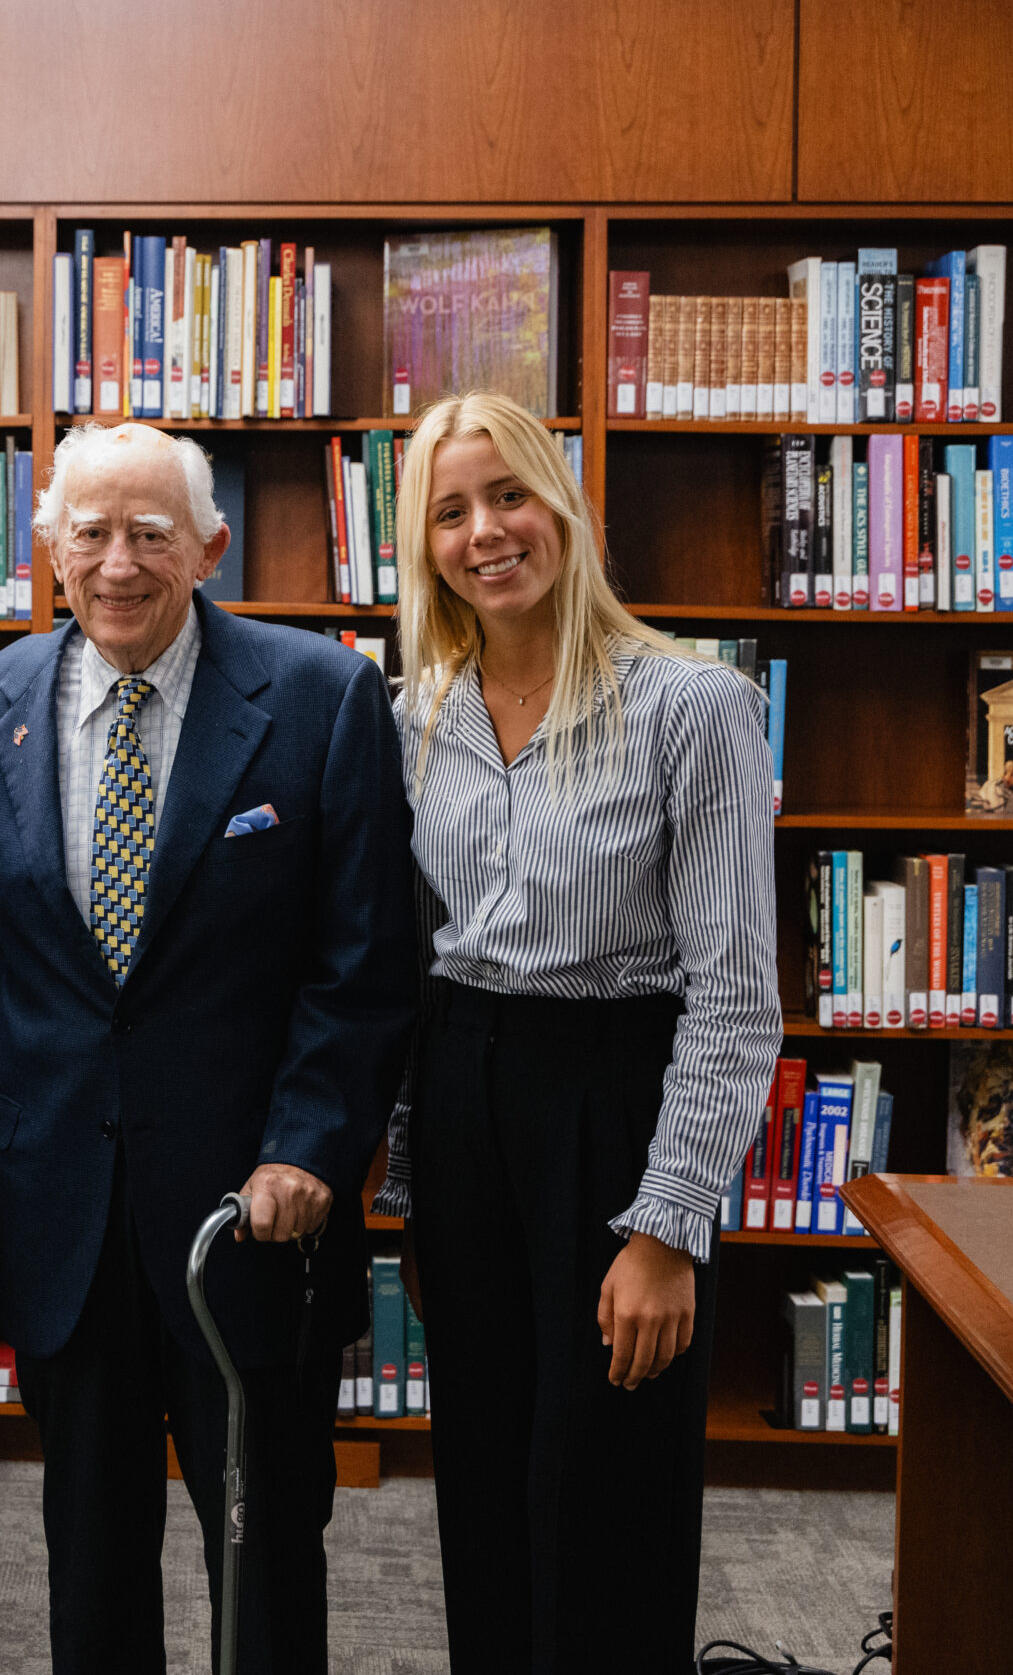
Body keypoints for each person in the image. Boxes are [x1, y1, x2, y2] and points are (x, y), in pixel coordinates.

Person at [0, 422, 417, 1675]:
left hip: (250, 1216)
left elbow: (364, 958)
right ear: (47, 551)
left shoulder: (321, 695)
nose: (117, 562)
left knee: (263, 1548)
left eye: (151, 532)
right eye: (88, 533)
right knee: (88, 1551)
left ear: (208, 546)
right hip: (63, 1218)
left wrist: (312, 1146)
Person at [377, 392, 778, 1674]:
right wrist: (405, 1177)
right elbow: (407, 957)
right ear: (423, 541)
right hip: (460, 1096)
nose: (485, 531)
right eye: (450, 510)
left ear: (565, 508)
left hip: (613, 1096)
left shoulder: (690, 704)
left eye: (508, 496)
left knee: (606, 1473)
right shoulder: (413, 712)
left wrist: (667, 1226)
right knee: (484, 1464)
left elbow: (732, 993)